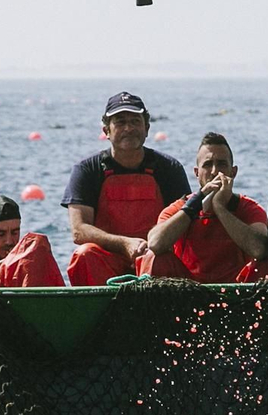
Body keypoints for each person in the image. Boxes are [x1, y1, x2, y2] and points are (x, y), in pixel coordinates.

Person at [62, 91, 191, 285]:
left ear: (147, 128)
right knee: (84, 254)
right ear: (106, 130)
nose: (128, 128)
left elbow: (186, 222)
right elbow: (79, 230)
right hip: (107, 259)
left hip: (154, 257)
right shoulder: (87, 170)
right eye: (120, 122)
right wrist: (124, 244)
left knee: (161, 260)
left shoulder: (169, 168)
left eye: (135, 121)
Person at [139, 132, 268, 282]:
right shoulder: (178, 208)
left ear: (233, 172)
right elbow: (155, 244)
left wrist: (220, 208)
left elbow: (260, 249)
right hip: (188, 291)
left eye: (221, 164)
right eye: (207, 165)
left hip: (238, 293)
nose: (214, 172)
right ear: (197, 173)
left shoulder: (249, 208)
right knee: (153, 257)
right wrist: (194, 205)